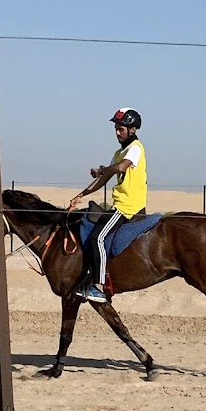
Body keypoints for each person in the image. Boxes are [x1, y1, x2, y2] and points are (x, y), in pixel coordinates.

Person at [69, 107, 147, 303]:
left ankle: (99, 287)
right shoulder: (119, 152)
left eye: (120, 129)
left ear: (133, 130)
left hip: (128, 207)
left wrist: (103, 170)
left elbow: (120, 168)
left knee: (98, 238)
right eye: (116, 128)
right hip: (119, 205)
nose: (117, 132)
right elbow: (104, 179)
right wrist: (81, 194)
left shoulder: (135, 148)